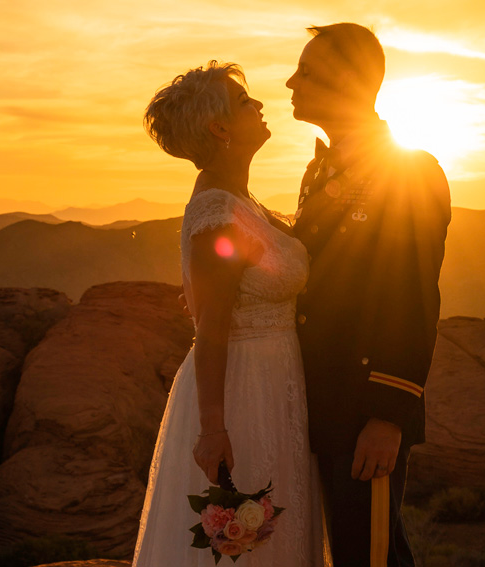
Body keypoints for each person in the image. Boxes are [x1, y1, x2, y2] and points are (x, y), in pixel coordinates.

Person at [131, 61, 325, 567]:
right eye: (244, 101)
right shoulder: (217, 211)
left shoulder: (241, 199)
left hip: (278, 380)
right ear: (220, 128)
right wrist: (213, 428)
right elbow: (211, 329)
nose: (259, 105)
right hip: (245, 391)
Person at [287, 23, 451, 567]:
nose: (291, 82)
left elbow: (412, 297)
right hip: (321, 401)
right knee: (359, 549)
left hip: (363, 408)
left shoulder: (409, 171)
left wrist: (388, 415)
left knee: (370, 556)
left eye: (306, 72)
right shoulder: (320, 168)